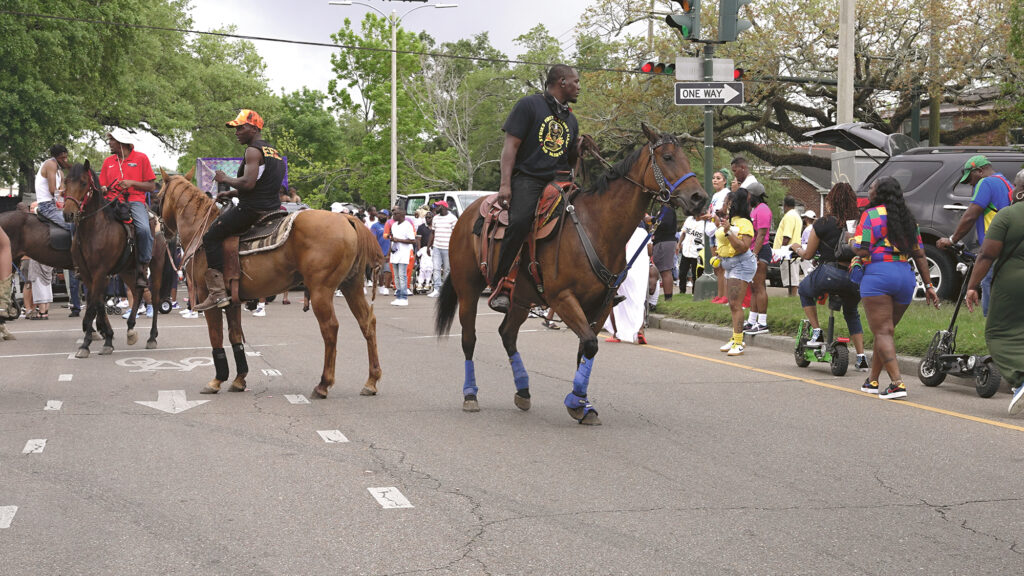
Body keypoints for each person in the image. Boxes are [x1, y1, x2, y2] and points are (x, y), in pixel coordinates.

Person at [488, 64, 584, 313]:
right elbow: (510, 147)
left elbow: (569, 161)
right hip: (528, 179)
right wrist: (505, 184)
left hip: (559, 181)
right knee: (520, 221)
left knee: (583, 217)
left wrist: (577, 149)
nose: (579, 87)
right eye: (575, 81)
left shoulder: (570, 119)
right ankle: (502, 284)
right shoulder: (529, 105)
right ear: (562, 82)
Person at [853, 177, 939, 399]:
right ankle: (872, 380)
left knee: (883, 331)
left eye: (872, 187)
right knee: (886, 332)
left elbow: (862, 250)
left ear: (879, 192)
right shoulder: (908, 219)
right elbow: (920, 254)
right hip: (904, 277)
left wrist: (849, 241)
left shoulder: (870, 215)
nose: (869, 190)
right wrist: (929, 286)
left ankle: (897, 383)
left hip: (878, 275)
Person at [195, 110, 285, 311]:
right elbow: (261, 184)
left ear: (254, 128)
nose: (237, 132)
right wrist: (233, 193)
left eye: (241, 127)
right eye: (235, 128)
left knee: (211, 237)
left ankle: (217, 293)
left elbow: (249, 183)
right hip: (272, 208)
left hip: (252, 210)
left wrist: (224, 180)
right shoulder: (274, 152)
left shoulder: (252, 151)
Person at [790, 183, 869, 370]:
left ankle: (817, 331)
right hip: (854, 276)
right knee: (851, 312)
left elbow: (808, 255)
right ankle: (861, 357)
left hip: (829, 273)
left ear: (832, 201)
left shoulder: (823, 223)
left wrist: (795, 247)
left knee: (804, 290)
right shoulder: (859, 223)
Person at [965, 169, 1024, 414]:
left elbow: (987, 255)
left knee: (998, 333)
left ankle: (1020, 381)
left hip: (1012, 284)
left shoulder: (1007, 215)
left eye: (1014, 184)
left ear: (1020, 191)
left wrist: (972, 286)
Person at [936, 155, 1012, 316]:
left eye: (970, 178)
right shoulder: (1006, 183)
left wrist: (952, 239)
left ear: (979, 171)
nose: (971, 183)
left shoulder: (986, 182)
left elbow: (971, 215)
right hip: (1009, 245)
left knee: (987, 282)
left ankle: (991, 325)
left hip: (994, 246)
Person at [99, 128, 156, 288]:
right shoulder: (108, 161)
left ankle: (142, 267)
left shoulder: (141, 158)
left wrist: (132, 183)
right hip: (110, 201)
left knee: (144, 229)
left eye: (112, 140)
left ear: (121, 143)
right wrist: (102, 188)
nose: (109, 143)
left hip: (134, 201)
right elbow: (102, 183)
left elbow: (151, 186)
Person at [713, 189, 756, 356]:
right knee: (732, 304)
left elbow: (742, 247)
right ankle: (735, 337)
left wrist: (728, 231)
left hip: (741, 264)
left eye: (727, 202)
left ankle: (738, 341)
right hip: (730, 264)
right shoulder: (730, 221)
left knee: (736, 304)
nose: (724, 205)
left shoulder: (745, 223)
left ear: (734, 204)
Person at [734, 158, 771, 335]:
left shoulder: (763, 209)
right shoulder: (754, 210)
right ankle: (753, 319)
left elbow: (762, 234)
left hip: (761, 250)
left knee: (760, 286)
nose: (747, 197)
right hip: (753, 252)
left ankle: (762, 322)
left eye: (749, 195)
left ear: (754, 195)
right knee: (754, 287)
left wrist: (754, 254)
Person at [604, 222, 651, 344]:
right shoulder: (643, 232)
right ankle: (640, 331)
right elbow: (650, 251)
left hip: (623, 268)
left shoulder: (620, 230)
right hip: (639, 270)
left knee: (614, 299)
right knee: (638, 300)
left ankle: (615, 334)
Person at [708, 168, 733, 303]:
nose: (715, 180)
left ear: (725, 181)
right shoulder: (715, 195)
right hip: (712, 231)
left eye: (718, 178)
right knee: (716, 265)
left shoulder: (726, 193)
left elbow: (721, 213)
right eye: (714, 178)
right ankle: (719, 294)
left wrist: (710, 216)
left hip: (719, 231)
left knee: (722, 266)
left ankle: (726, 296)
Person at [35, 144, 72, 232]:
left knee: (79, 219)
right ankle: (75, 246)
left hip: (56, 205)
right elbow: (53, 191)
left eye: (66, 157)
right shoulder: (50, 164)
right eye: (62, 158)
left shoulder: (60, 172)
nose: (65, 160)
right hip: (47, 206)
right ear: (55, 157)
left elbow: (61, 193)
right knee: (72, 224)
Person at [678, 210, 714, 294]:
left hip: (698, 252)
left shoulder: (706, 223)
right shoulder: (689, 219)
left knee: (696, 274)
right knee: (682, 273)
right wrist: (679, 243)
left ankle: (695, 292)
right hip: (686, 250)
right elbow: (683, 233)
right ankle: (682, 291)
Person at [774, 196, 803, 296]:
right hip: (793, 250)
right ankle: (792, 295)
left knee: (790, 276)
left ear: (785, 205)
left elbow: (787, 235)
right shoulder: (796, 215)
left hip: (788, 251)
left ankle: (792, 295)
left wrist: (782, 249)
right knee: (792, 275)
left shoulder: (789, 216)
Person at [427, 201, 457, 297]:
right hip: (436, 247)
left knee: (447, 269)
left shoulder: (452, 218)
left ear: (443, 207)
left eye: (437, 206)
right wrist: (428, 246)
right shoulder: (435, 218)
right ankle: (437, 289)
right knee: (436, 268)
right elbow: (432, 233)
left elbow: (455, 234)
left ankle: (445, 290)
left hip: (448, 247)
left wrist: (454, 247)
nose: (435, 208)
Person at [650, 205, 679, 304]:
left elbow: (665, 224)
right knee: (664, 270)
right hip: (662, 241)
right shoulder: (664, 208)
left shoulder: (668, 208)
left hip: (665, 241)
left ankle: (668, 299)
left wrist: (652, 220)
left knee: (665, 271)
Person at [389, 208, 416, 306]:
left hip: (404, 253)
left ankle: (404, 297)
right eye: (393, 214)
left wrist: (399, 240)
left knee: (402, 275)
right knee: (396, 276)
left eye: (396, 214)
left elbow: (413, 240)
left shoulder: (407, 225)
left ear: (402, 214)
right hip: (395, 253)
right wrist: (392, 244)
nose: (394, 216)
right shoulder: (394, 225)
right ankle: (398, 296)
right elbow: (393, 238)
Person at [371, 210, 391, 295]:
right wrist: (377, 252)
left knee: (388, 270)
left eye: (384, 215)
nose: (382, 216)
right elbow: (373, 239)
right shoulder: (374, 226)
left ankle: (386, 287)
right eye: (380, 214)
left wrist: (389, 253)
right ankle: (381, 285)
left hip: (388, 251)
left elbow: (391, 239)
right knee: (380, 271)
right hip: (378, 252)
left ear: (387, 216)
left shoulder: (390, 225)